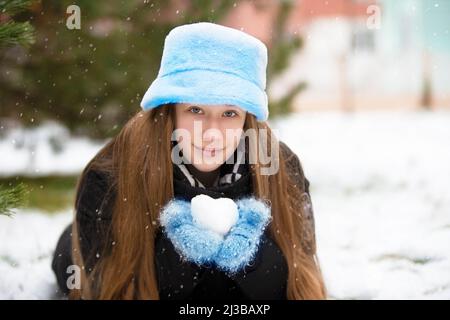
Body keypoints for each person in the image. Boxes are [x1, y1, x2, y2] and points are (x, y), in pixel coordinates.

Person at [51, 22, 326, 300]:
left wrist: (249, 253)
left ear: (247, 118)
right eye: (195, 110)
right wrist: (179, 251)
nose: (211, 133)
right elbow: (106, 288)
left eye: (229, 113)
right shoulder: (110, 177)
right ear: (169, 110)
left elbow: (301, 281)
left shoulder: (282, 169)